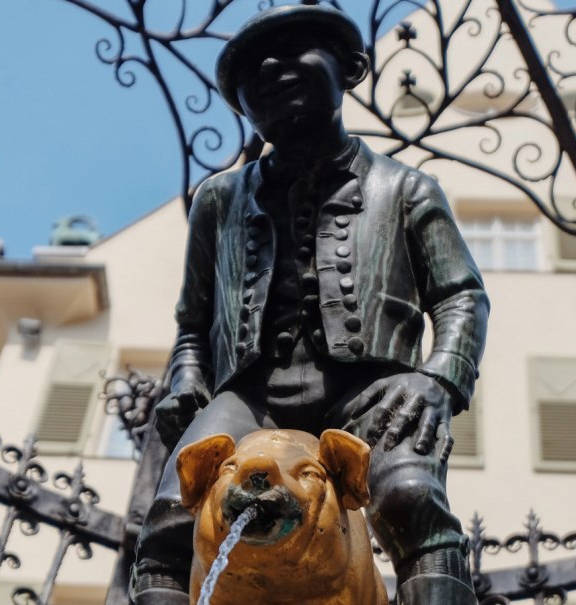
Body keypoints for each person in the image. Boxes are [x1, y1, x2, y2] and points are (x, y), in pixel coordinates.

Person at [131, 4, 489, 603]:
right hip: (252, 396)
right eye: (251, 69)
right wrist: (186, 381)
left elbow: (461, 295)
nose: (272, 68)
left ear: (351, 68)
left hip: (373, 389)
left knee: (410, 497)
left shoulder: (406, 188)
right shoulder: (218, 200)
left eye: (295, 49)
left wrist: (439, 379)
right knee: (171, 515)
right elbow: (193, 324)